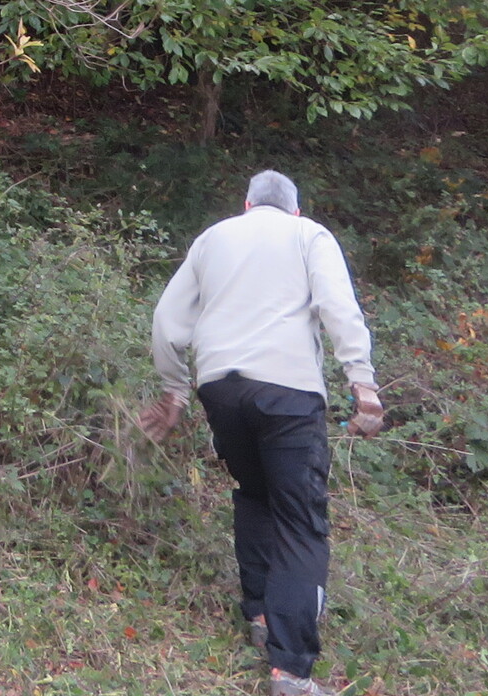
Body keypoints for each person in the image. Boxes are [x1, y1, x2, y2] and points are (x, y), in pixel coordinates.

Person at [138, 170, 384, 696]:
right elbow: (337, 306)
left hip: (220, 388)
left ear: (247, 205)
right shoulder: (308, 234)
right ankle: (291, 670)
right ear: (295, 209)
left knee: (254, 493)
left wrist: (174, 391)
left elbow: (165, 319)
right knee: (300, 520)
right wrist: (362, 382)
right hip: (287, 392)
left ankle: (262, 615)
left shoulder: (213, 238)